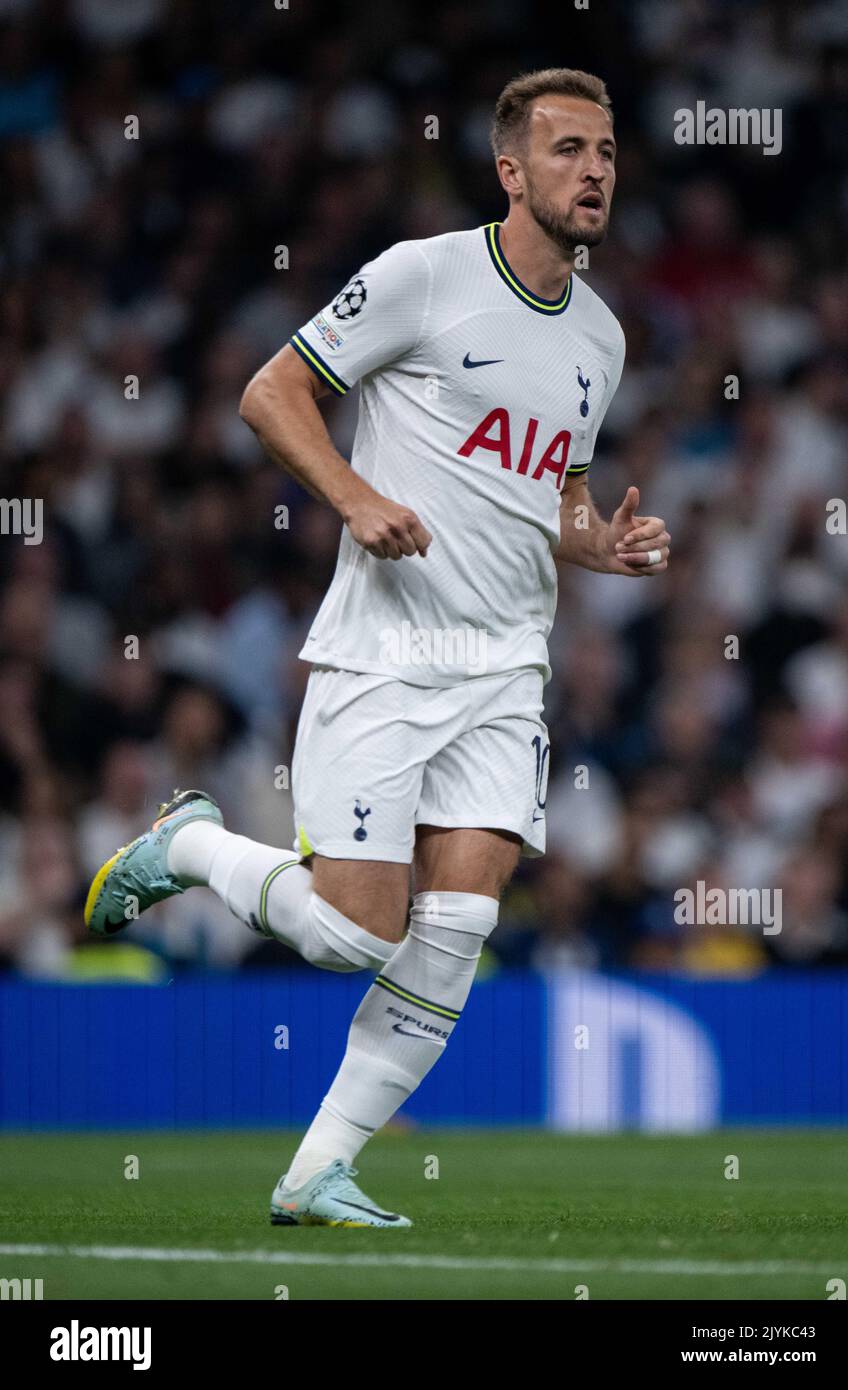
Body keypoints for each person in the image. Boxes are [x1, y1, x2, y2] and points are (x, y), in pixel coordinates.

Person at [85, 67, 671, 1228]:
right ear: (509, 171)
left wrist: (593, 542)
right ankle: (193, 843)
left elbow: (549, 487)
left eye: (604, 150)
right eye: (565, 150)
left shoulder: (598, 339)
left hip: (506, 662)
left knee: (459, 922)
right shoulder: (423, 276)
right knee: (354, 931)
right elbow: (271, 392)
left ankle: (318, 1170)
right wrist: (352, 497)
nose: (593, 169)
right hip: (386, 650)